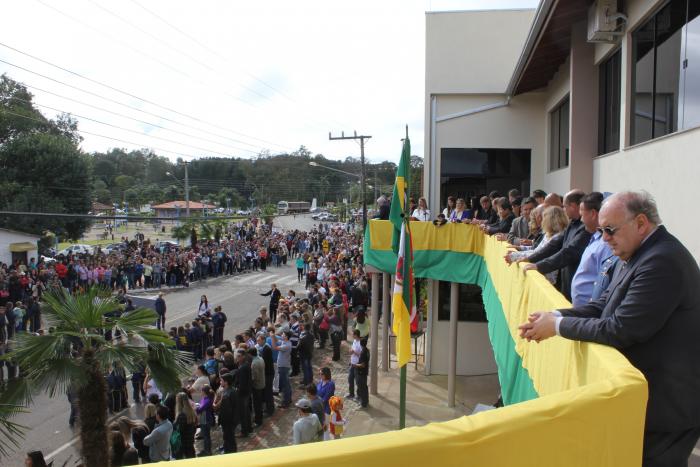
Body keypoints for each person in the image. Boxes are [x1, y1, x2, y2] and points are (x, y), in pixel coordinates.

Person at [518, 191, 700, 467]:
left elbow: (622, 328)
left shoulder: (662, 260)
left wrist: (557, 325)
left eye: (610, 230)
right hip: (651, 401)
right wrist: (555, 314)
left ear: (640, 223)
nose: (604, 238)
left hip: (667, 406)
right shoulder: (639, 252)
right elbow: (605, 303)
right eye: (602, 230)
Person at [522, 190, 590, 300]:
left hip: (578, 285)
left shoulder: (585, 228)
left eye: (565, 206)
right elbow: (553, 245)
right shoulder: (572, 223)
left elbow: (568, 252)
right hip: (566, 281)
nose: (563, 210)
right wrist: (529, 259)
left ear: (572, 206)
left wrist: (539, 266)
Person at [570, 192, 615, 307]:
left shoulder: (606, 244)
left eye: (582, 214)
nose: (580, 220)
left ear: (593, 213)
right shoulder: (596, 237)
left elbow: (604, 281)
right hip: (584, 311)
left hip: (591, 313)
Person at [270, 329, 293, 408]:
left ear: (286, 337)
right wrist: (274, 337)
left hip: (283, 367)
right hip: (283, 365)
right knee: (287, 384)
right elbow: (277, 340)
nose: (282, 335)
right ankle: (288, 399)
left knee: (284, 385)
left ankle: (285, 402)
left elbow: (274, 347)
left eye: (283, 334)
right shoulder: (285, 342)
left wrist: (272, 337)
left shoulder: (286, 345)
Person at [218, 372, 239, 454]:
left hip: (228, 421)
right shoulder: (232, 390)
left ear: (226, 382)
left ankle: (229, 452)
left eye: (221, 381)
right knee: (230, 437)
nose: (220, 382)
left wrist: (221, 421)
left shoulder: (227, 394)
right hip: (232, 420)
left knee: (228, 437)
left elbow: (225, 411)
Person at [173, 392, 196, 459]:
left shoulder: (181, 415)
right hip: (190, 440)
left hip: (183, 443)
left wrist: (174, 425)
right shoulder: (191, 411)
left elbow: (180, 430)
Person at [195, 385, 215, 456]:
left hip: (206, 420)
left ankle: (208, 451)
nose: (200, 392)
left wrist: (195, 407)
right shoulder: (204, 398)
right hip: (204, 419)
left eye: (201, 391)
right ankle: (206, 450)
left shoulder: (208, 400)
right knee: (205, 436)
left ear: (204, 392)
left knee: (206, 436)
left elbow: (200, 409)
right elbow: (200, 406)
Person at [347, 329, 362, 400]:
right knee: (350, 379)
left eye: (353, 334)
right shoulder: (355, 341)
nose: (352, 335)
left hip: (357, 365)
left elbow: (361, 355)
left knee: (358, 381)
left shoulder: (360, 343)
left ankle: (359, 395)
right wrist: (351, 352)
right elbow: (352, 350)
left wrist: (354, 352)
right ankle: (351, 394)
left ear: (356, 335)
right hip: (352, 364)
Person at [355, 337, 370, 408]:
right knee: (364, 387)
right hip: (364, 372)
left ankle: (363, 403)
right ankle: (365, 401)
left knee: (362, 388)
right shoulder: (367, 350)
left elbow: (363, 365)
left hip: (361, 373)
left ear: (361, 344)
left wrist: (356, 365)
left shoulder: (363, 352)